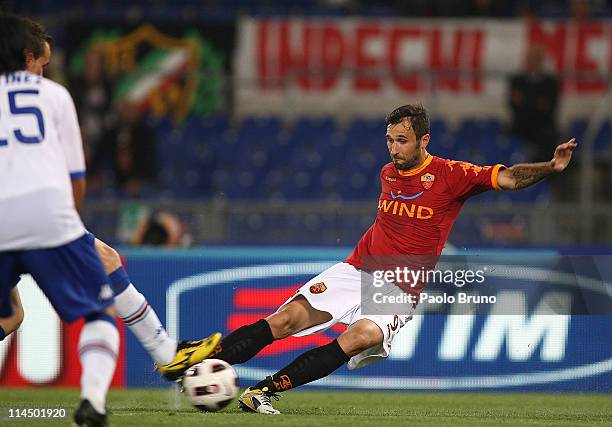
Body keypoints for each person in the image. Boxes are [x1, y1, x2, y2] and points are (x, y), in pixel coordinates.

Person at [205, 104, 576, 414]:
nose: (394, 149)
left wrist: (550, 167)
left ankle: (264, 391)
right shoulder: (388, 173)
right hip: (356, 269)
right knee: (284, 320)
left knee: (362, 335)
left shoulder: (452, 175)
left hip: (399, 287)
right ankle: (201, 365)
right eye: (389, 140)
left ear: (423, 140)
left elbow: (509, 178)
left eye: (402, 141)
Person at [0, 14, 220, 426]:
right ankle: (124, 383)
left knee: (25, 307)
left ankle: (167, 353)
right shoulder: (53, 96)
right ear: (27, 57)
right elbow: (75, 173)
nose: (45, 71)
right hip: (48, 214)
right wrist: (69, 221)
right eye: (42, 64)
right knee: (94, 313)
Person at [508, 43, 560, 161]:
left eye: (537, 58)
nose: (533, 61)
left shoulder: (550, 82)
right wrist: (536, 103)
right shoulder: (516, 80)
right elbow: (514, 106)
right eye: (530, 58)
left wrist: (525, 101)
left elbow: (548, 108)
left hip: (543, 131)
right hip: (520, 128)